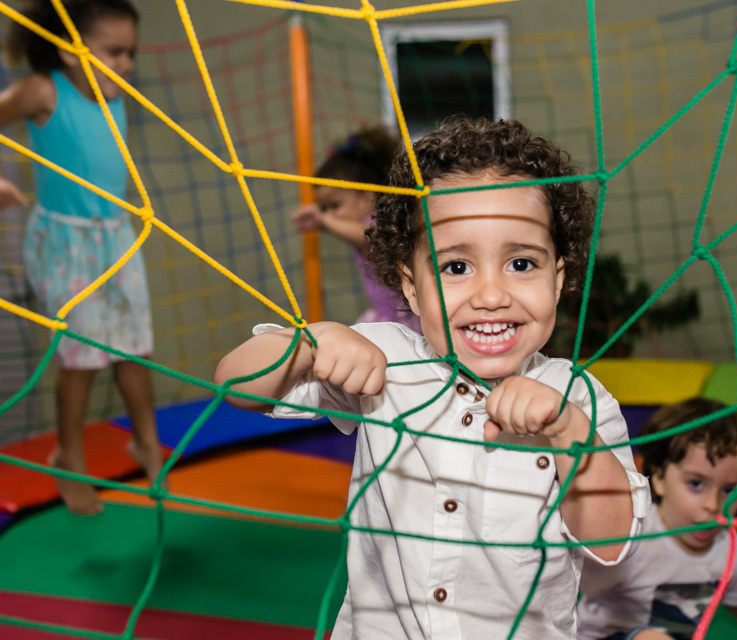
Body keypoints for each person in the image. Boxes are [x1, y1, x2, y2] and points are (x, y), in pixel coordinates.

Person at [216, 117, 651, 639]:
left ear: (557, 279)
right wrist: (309, 342)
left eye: (520, 263)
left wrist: (568, 432)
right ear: (411, 287)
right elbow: (235, 386)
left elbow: (611, 544)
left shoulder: (580, 399)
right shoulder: (387, 361)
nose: (491, 295)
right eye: (456, 268)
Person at [0, 0, 163, 515]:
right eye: (114, 52)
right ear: (71, 51)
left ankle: (146, 442)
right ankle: (68, 456)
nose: (126, 64)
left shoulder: (113, 94)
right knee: (82, 355)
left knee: (135, 347)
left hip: (115, 236)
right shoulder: (44, 90)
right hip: (65, 244)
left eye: (131, 52)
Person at [578, 398, 737, 640]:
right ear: (659, 477)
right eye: (696, 483)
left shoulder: (725, 547)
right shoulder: (633, 535)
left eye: (729, 489)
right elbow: (570, 574)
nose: (713, 505)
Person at [290, 124, 421, 331]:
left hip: (411, 320)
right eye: (325, 208)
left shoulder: (385, 221)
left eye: (335, 205)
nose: (330, 214)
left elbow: (371, 239)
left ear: (368, 196)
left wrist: (324, 221)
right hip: (390, 316)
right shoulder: (358, 225)